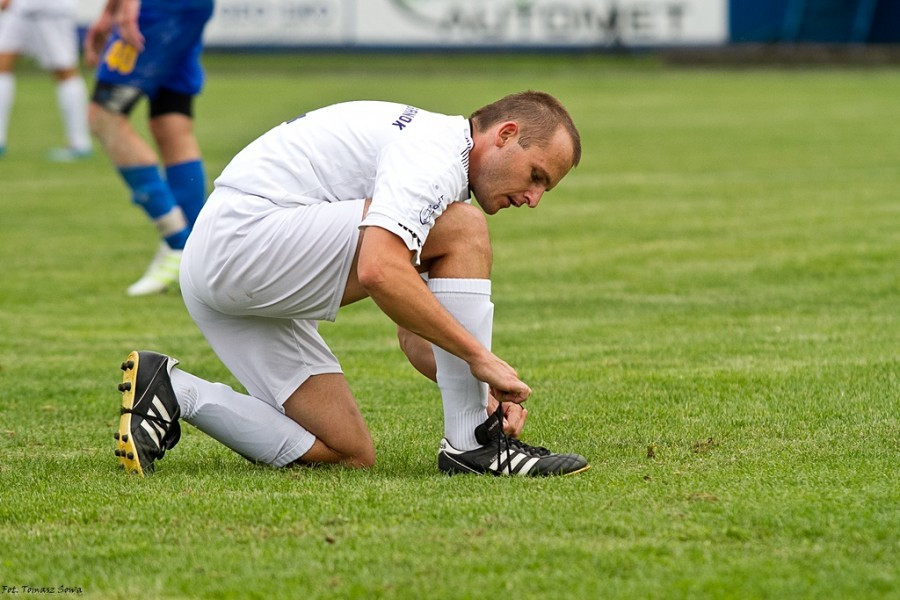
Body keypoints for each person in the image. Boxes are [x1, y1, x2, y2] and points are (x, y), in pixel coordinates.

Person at [113, 91, 590, 478]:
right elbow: (380, 271)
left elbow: (414, 334)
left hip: (222, 262)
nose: (533, 199)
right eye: (536, 176)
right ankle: (471, 448)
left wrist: (479, 392)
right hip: (243, 241)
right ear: (506, 134)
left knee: (347, 451)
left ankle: (174, 389)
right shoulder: (432, 154)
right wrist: (480, 357)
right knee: (464, 227)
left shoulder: (434, 161)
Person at [83, 0, 214, 296]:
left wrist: (125, 8)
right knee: (171, 123)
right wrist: (110, 10)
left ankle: (179, 242)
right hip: (191, 8)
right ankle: (199, 255)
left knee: (105, 117)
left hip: (158, 10)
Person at [0, 0, 91, 161]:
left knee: (64, 71)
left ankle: (79, 143)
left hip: (48, 9)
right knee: (2, 64)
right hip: (20, 9)